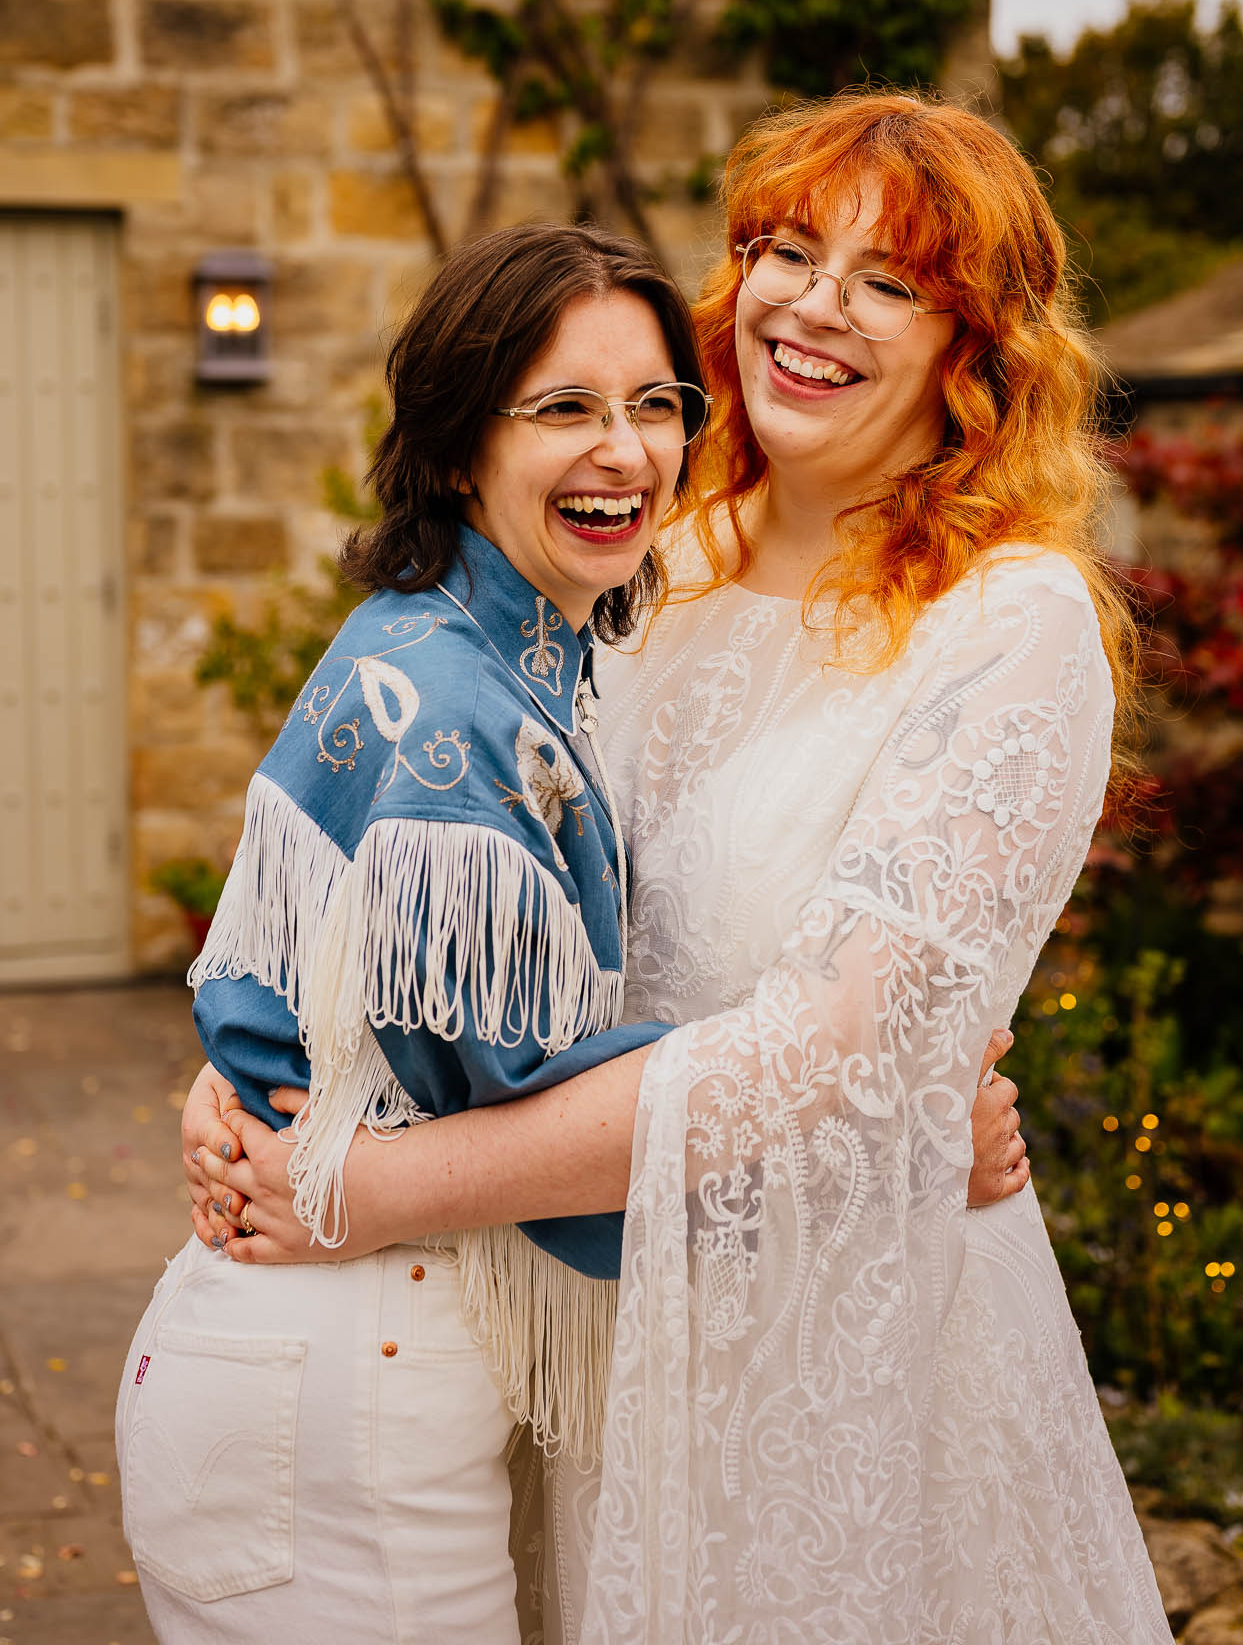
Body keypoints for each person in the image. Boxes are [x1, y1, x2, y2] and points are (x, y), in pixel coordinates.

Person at [186, 90, 1167, 1642]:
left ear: (971, 350)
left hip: (830, 1361)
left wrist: (370, 1188)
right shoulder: (656, 546)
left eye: (888, 281)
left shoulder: (1008, 622)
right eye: (787, 251)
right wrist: (266, 1075)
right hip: (579, 1330)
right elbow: (440, 850)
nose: (814, 306)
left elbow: (834, 1053)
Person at [115, 222, 713, 1641]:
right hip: (342, 1393)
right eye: (563, 408)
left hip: (326, 1366)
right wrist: (857, 1097)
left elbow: (318, 1014)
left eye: (654, 403)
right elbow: (510, 1105)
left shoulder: (463, 640)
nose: (623, 449)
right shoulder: (456, 714)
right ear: (456, 449)